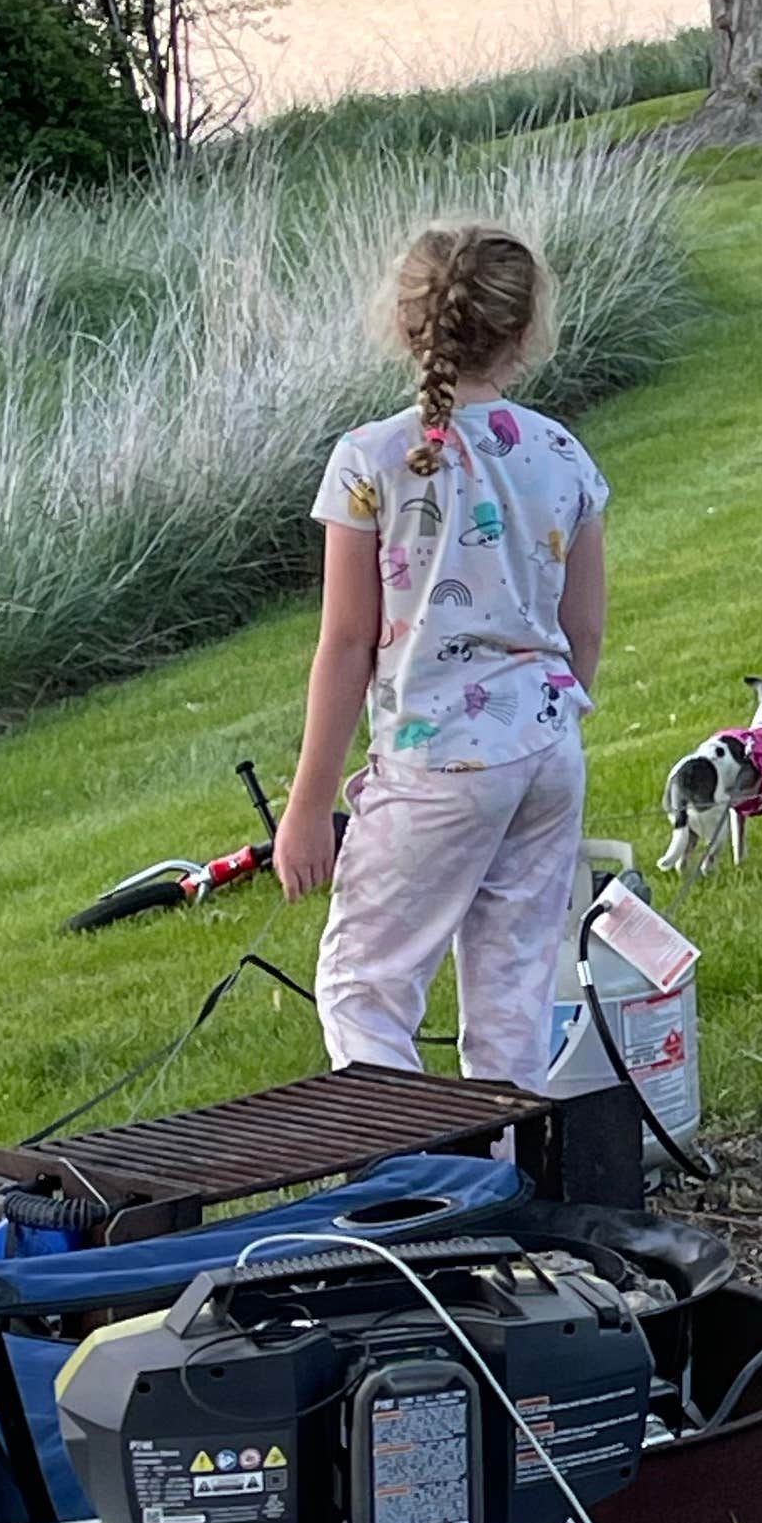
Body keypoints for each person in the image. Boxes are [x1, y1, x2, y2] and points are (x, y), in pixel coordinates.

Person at [274, 220, 608, 1088]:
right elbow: (584, 636)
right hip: (546, 752)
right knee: (514, 996)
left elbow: (346, 646)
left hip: (437, 768)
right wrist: (545, 728)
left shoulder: (369, 462)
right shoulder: (563, 455)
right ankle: (503, 1190)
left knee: (365, 988)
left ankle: (414, 1194)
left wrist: (307, 809)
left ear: (407, 323)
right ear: (526, 329)